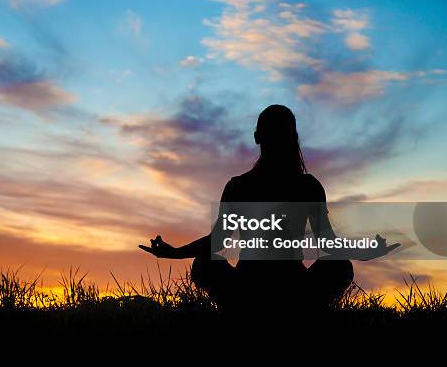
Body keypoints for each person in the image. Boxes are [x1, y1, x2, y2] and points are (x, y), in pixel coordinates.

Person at [139, 104, 399, 313]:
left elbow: (217, 240)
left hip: (247, 288)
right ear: (293, 137)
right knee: (338, 265)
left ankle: (242, 309)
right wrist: (365, 250)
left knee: (206, 262)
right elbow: (328, 243)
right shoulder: (306, 186)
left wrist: (174, 253)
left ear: (256, 137)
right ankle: (299, 311)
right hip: (293, 288)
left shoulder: (240, 186)